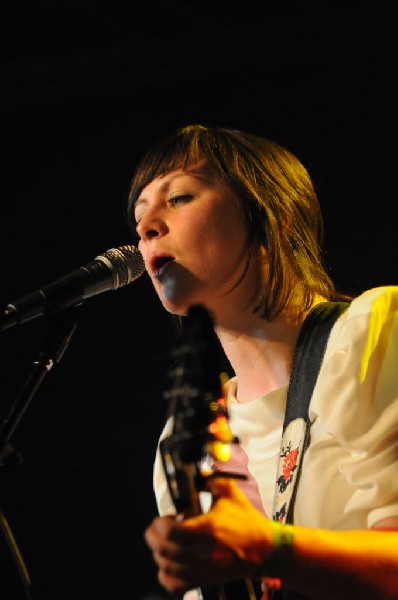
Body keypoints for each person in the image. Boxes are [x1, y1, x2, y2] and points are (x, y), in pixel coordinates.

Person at [126, 123, 398, 599]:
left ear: (271, 214)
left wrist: (268, 549)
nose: (148, 228)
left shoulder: (372, 334)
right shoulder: (185, 443)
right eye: (139, 217)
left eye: (179, 198)